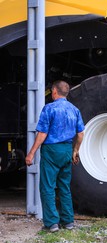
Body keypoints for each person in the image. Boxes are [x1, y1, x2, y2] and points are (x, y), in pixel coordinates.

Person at [25, 80, 85, 233]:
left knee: (47, 187)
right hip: (66, 149)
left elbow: (42, 134)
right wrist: (75, 150)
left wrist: (31, 152)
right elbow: (80, 134)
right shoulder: (74, 110)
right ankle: (68, 221)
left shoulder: (49, 109)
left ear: (54, 92)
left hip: (51, 150)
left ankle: (52, 223)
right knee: (64, 186)